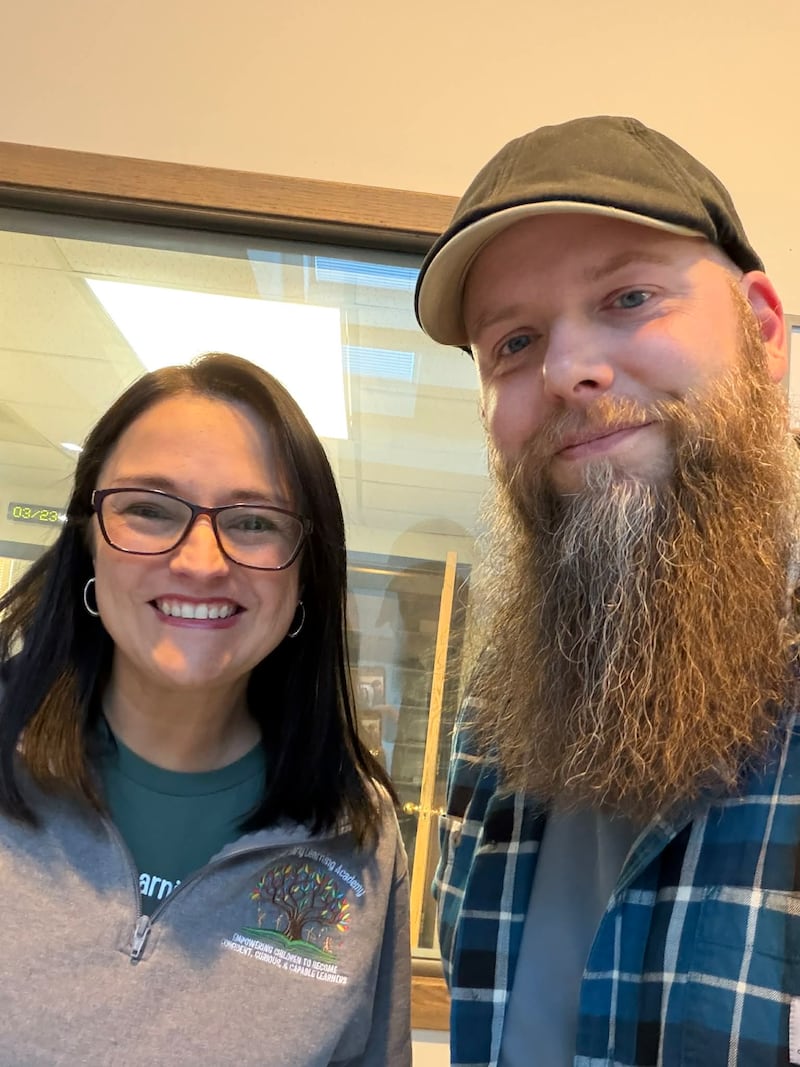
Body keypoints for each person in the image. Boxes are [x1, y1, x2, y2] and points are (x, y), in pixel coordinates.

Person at [414, 115, 800, 1067]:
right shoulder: (497, 721)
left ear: (762, 329)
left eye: (629, 296)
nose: (566, 371)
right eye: (513, 342)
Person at [0, 352, 411, 1065]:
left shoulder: (358, 837)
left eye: (254, 521)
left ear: (305, 571)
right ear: (89, 539)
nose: (200, 561)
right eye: (150, 510)